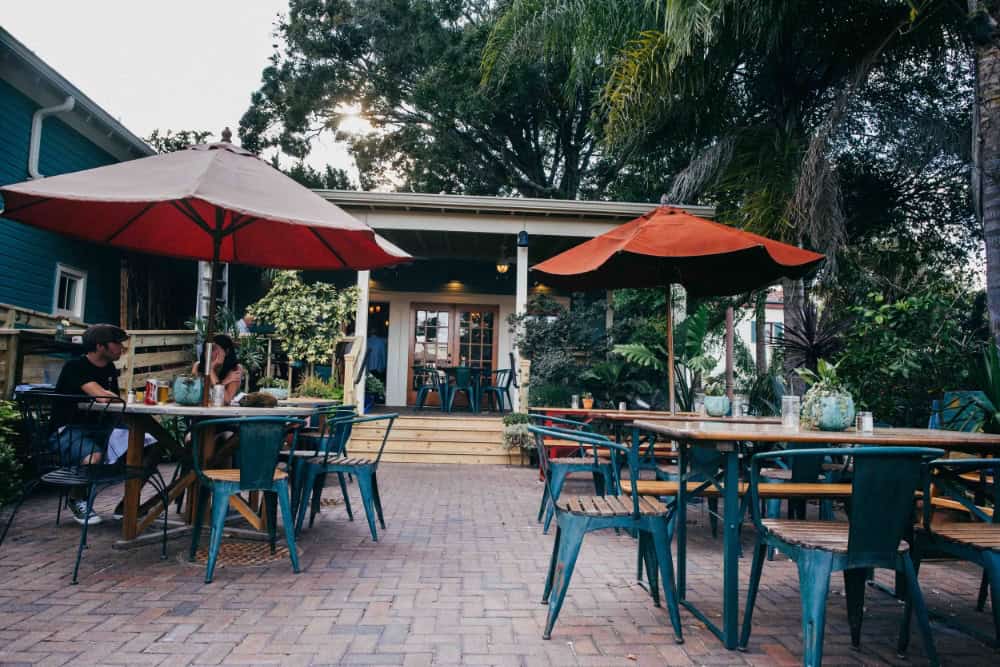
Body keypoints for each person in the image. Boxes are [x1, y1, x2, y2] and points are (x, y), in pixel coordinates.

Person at [53, 324, 156, 525]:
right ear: (100, 346)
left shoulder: (109, 368)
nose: (121, 348)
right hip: (70, 429)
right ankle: (77, 498)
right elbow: (103, 397)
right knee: (94, 457)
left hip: (102, 429)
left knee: (151, 446)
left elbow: (114, 401)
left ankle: (127, 505)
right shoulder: (75, 367)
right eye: (116, 343)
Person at [192, 334, 244, 405]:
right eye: (206, 349)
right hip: (199, 412)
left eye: (213, 349)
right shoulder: (198, 366)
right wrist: (224, 382)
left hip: (224, 414)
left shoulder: (236, 369)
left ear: (226, 352)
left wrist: (211, 370)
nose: (208, 352)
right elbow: (194, 395)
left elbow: (226, 400)